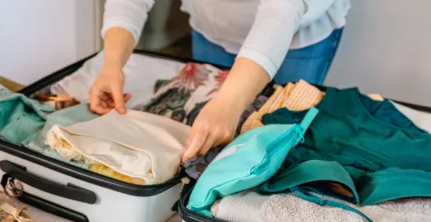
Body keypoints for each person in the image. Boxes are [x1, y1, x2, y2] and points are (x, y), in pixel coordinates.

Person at [90, 0, 350, 162]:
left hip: (295, 34)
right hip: (213, 26)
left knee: (279, 139)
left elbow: (281, 11)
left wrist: (228, 103)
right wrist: (112, 64)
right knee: (211, 130)